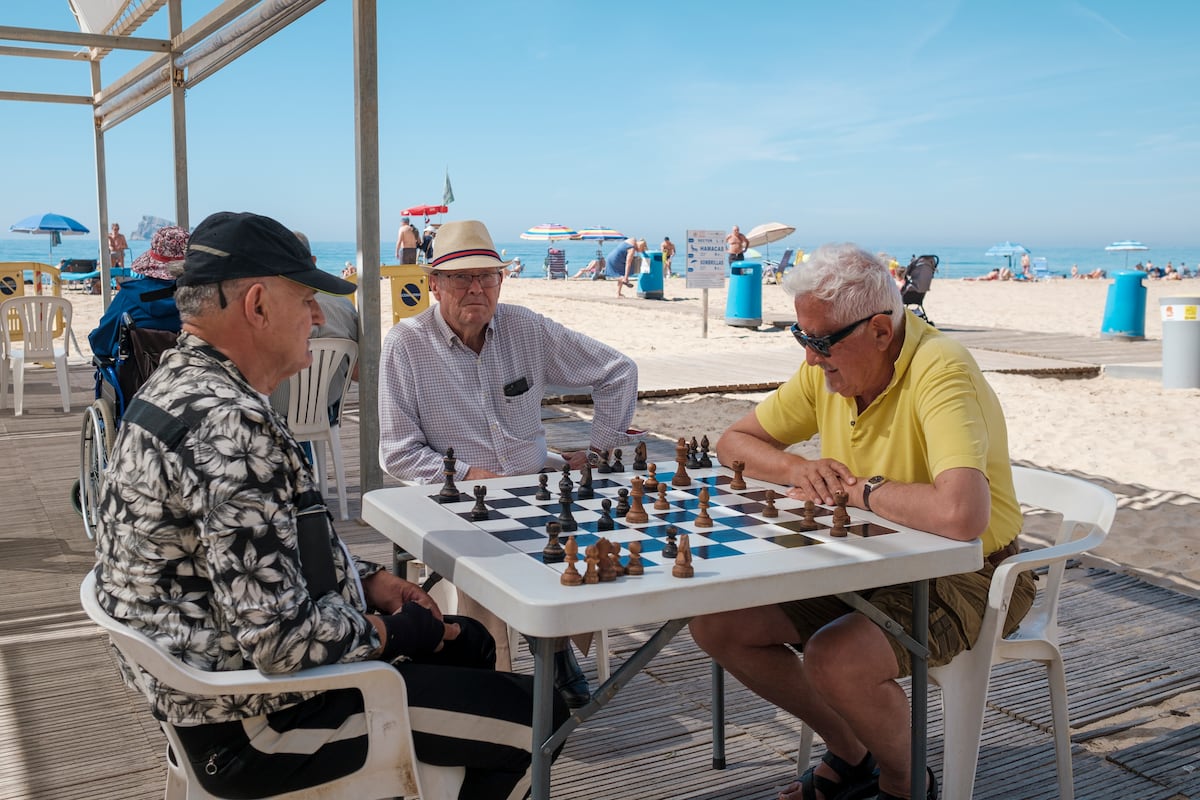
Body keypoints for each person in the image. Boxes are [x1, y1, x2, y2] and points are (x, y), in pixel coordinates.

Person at [92, 210, 565, 800]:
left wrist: (366, 583)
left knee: (468, 642)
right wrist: (393, 632)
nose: (318, 317)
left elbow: (262, 554)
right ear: (258, 305)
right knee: (539, 721)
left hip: (209, 683)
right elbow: (282, 644)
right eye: (308, 299)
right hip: (254, 725)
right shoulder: (227, 429)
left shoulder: (174, 384)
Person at [688, 243, 1035, 800]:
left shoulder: (941, 369)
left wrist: (862, 491)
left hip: (976, 575)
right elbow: (735, 443)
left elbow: (962, 515)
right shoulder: (826, 370)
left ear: (879, 330)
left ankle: (904, 784)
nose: (809, 358)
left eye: (821, 341)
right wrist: (799, 467)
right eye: (800, 337)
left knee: (837, 658)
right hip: (869, 558)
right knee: (718, 624)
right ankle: (853, 758)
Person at [379, 219, 639, 705]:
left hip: (534, 481)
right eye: (460, 278)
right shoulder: (405, 344)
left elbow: (618, 371)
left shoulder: (526, 327)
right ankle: (498, 678)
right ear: (434, 285)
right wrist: (466, 475)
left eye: (488, 276)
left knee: (598, 530)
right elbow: (397, 451)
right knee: (487, 563)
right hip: (456, 497)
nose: (476, 287)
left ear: (502, 280)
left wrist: (601, 450)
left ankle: (554, 643)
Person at [270, 231, 361, 425]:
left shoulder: (267, 310)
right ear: (313, 260)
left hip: (277, 413)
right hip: (324, 410)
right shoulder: (344, 305)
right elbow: (359, 373)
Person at [87, 224, 188, 360]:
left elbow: (101, 344)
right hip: (190, 377)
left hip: (138, 379)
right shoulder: (202, 301)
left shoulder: (128, 297)